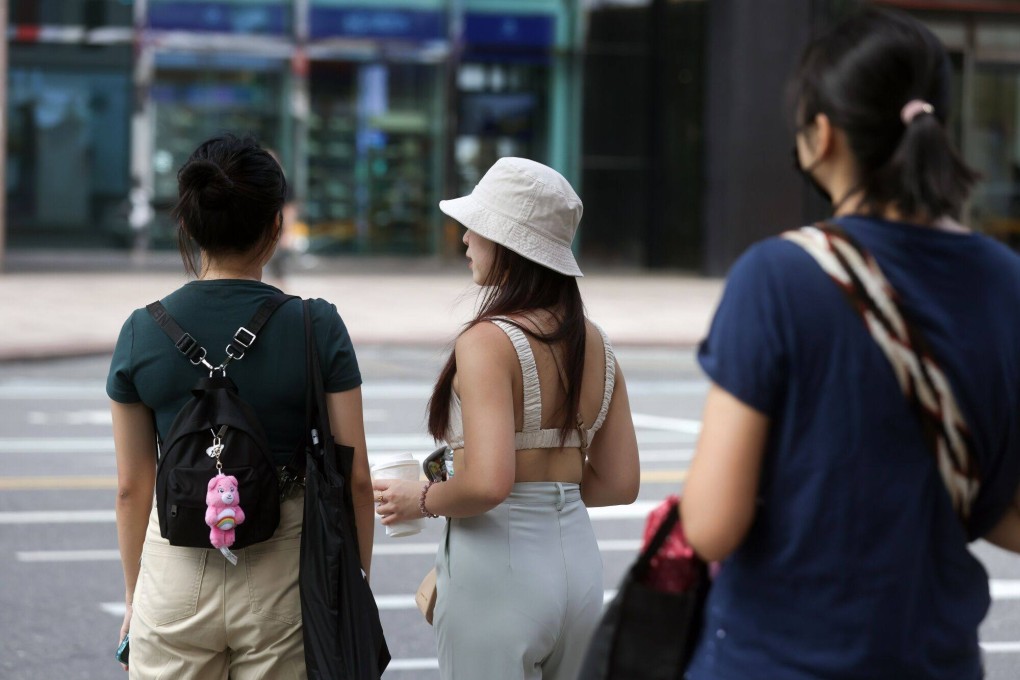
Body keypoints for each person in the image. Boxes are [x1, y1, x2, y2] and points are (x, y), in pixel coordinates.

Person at [681, 8, 1020, 679]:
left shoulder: (776, 278)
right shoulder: (1006, 281)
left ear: (823, 134)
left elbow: (713, 525)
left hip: (773, 661)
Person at [107, 133, 373, 678]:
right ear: (275, 226)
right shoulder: (316, 325)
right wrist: (353, 583)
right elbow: (357, 481)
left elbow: (132, 487)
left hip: (174, 570)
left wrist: (136, 594)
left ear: (188, 224)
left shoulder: (141, 330)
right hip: (285, 572)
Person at [372, 157, 641, 680]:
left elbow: (490, 484)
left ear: (509, 244)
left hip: (497, 570)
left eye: (477, 226)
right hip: (580, 567)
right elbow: (621, 483)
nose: (465, 238)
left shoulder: (488, 340)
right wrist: (550, 489)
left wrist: (417, 499)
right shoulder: (597, 344)